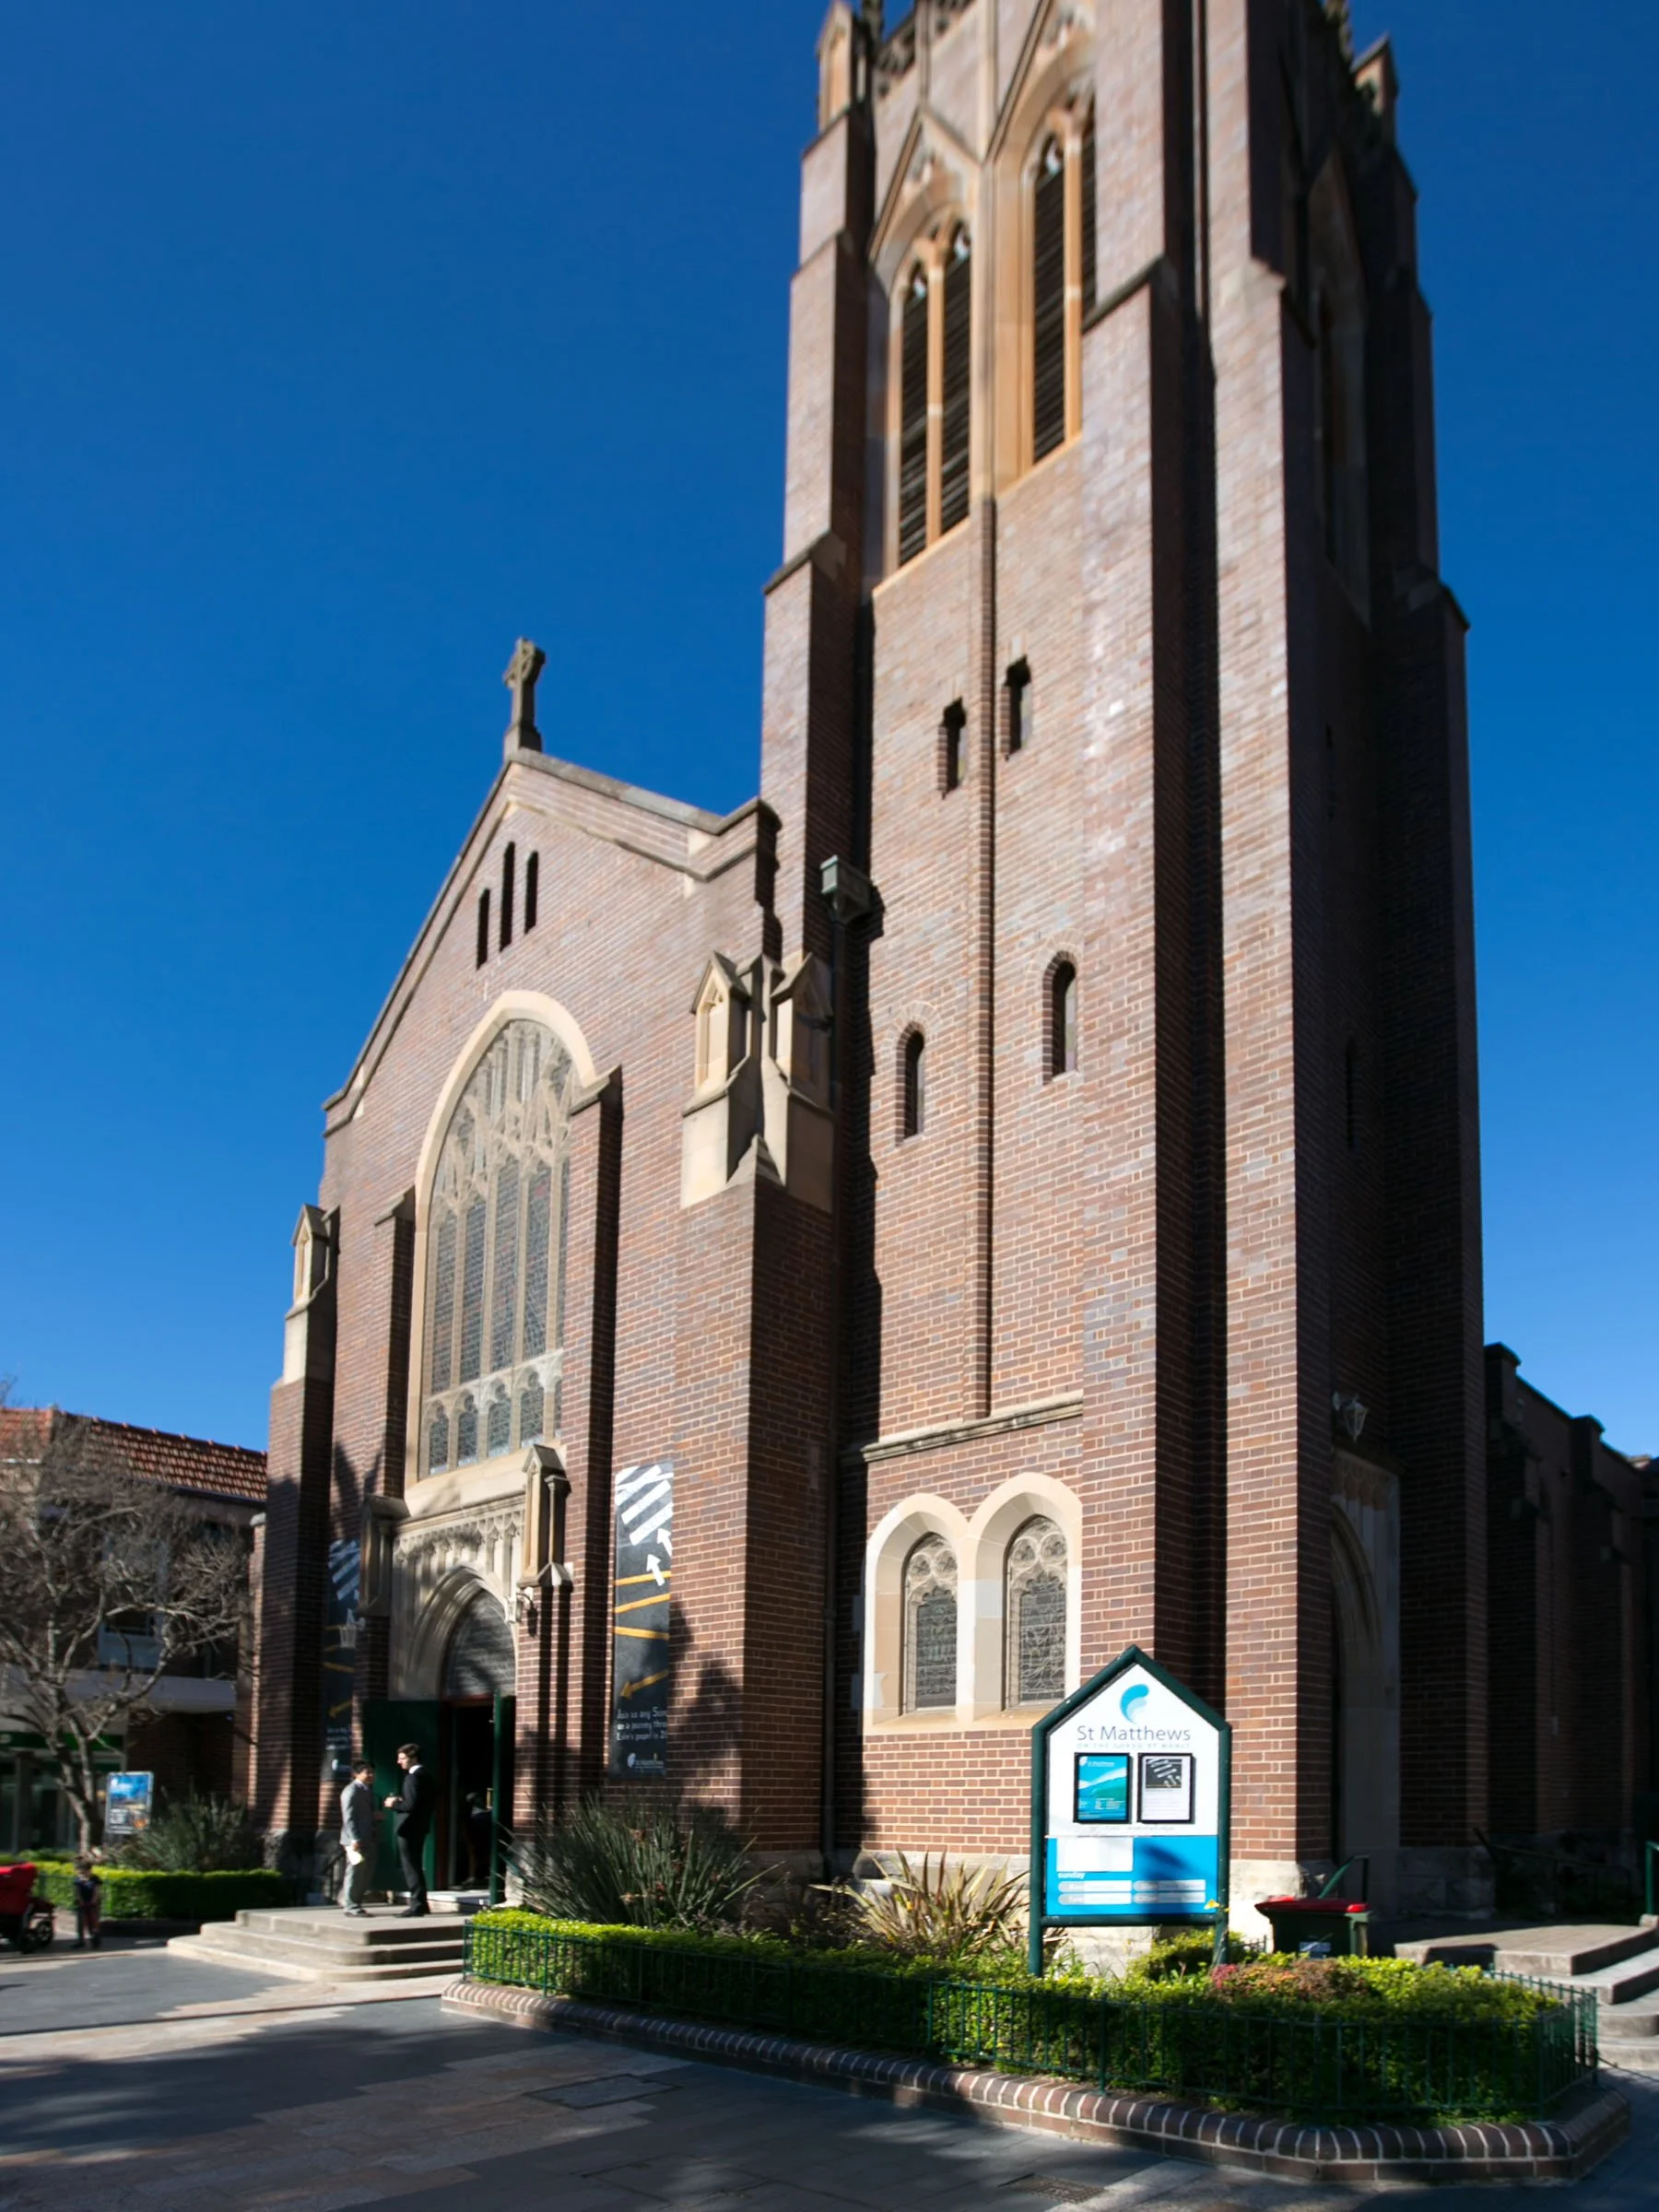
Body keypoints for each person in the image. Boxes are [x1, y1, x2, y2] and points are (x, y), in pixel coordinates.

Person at [383, 1742, 434, 1916]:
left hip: (409, 1827)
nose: (399, 1762)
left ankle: (417, 1904)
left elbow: (410, 1805)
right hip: (420, 1826)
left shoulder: (413, 1777)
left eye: (403, 1758)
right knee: (416, 1865)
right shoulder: (426, 1775)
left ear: (414, 1758)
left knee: (411, 1867)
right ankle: (422, 1902)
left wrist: (394, 1803)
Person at [339, 1759, 376, 1917]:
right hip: (354, 1840)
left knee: (365, 1873)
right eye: (367, 1772)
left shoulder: (367, 1790)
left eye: (372, 1772)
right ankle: (350, 1906)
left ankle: (355, 1902)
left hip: (368, 1837)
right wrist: (354, 1838)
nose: (371, 1775)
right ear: (356, 1774)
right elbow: (349, 1817)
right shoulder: (351, 1791)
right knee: (355, 1872)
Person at [463, 1793, 494, 1889]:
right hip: (478, 1838)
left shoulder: (481, 1814)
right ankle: (473, 1877)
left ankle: (475, 1876)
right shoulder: (475, 1815)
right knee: (475, 1855)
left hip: (483, 1839)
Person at [72, 1856, 102, 1950]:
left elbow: (96, 1890)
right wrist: (79, 1900)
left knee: (93, 1921)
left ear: (89, 1870)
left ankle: (94, 1938)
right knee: (81, 1922)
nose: (83, 1874)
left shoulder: (95, 1879)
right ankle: (80, 1940)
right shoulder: (78, 1879)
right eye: (81, 1872)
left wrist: (94, 1900)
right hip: (82, 1903)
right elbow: (77, 1890)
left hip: (93, 1903)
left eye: (85, 1872)